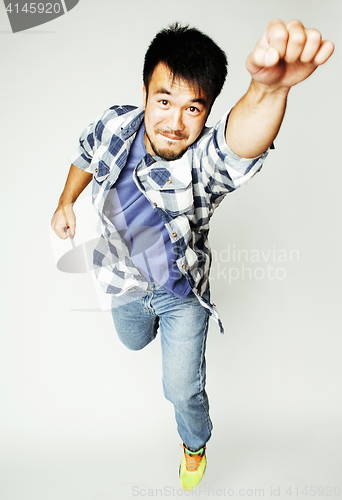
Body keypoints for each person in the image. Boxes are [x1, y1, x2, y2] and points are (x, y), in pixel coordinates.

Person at [51, 19, 334, 490]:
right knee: (132, 341)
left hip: (180, 294)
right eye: (164, 101)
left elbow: (235, 148)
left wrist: (269, 91)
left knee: (179, 388)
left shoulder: (200, 161)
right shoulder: (113, 124)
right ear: (145, 91)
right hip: (121, 282)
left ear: (207, 113)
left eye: (193, 109)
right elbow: (84, 153)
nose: (175, 122)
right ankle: (144, 324)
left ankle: (194, 442)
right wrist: (65, 201)